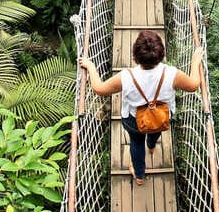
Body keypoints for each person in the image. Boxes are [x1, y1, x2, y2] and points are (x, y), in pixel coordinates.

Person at [79, 31, 202, 185]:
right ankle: (151, 146)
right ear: (161, 54)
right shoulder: (172, 74)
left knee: (136, 144)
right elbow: (193, 85)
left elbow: (99, 89)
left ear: (135, 55)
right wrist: (195, 62)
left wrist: (90, 66)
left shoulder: (126, 76)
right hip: (161, 116)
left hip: (134, 120)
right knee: (155, 130)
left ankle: (139, 176)